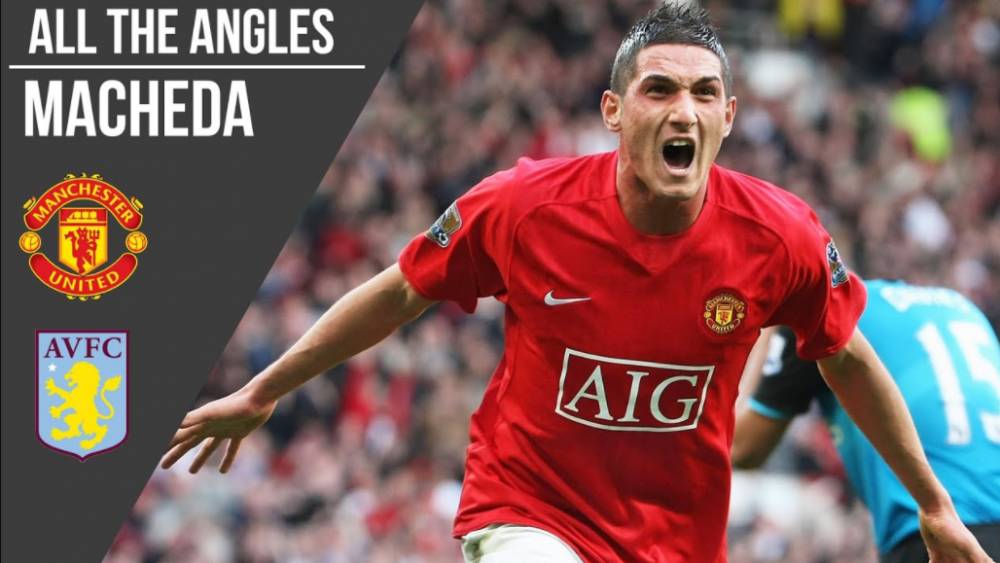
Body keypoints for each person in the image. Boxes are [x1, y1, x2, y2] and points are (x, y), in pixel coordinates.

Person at [161, 5, 991, 562]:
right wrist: (265, 389)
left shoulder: (782, 237)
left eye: (704, 93)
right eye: (659, 89)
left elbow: (846, 357)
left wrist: (933, 504)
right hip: (530, 510)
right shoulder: (525, 206)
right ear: (613, 111)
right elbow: (402, 289)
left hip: (675, 539)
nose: (684, 110)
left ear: (728, 118)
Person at [732, 279, 1000, 562]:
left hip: (938, 536)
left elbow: (742, 449)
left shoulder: (819, 304)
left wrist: (770, 329)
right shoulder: (960, 306)